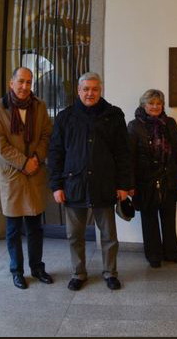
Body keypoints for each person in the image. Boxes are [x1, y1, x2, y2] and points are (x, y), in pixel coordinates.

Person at [48, 72, 131, 291]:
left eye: (94, 89)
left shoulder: (113, 115)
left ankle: (110, 273)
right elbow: (56, 153)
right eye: (85, 89)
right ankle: (78, 273)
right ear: (78, 91)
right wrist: (56, 185)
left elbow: (123, 152)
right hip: (73, 184)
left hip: (105, 184)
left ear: (100, 90)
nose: (90, 93)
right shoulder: (65, 117)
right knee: (74, 235)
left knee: (109, 236)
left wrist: (123, 184)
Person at [0, 67, 54, 289]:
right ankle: (17, 271)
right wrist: (23, 162)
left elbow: (47, 135)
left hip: (35, 174)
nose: (25, 86)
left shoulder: (39, 106)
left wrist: (36, 158)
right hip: (13, 176)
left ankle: (37, 268)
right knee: (13, 230)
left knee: (35, 228)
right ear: (11, 83)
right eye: (21, 81)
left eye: (29, 82)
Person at [127, 89, 177, 268]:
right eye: (151, 103)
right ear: (143, 105)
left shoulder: (170, 123)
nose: (155, 106)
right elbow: (129, 158)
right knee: (149, 219)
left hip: (168, 177)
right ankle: (153, 255)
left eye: (158, 103)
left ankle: (171, 253)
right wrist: (130, 184)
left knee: (169, 218)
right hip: (145, 181)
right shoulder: (134, 126)